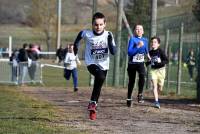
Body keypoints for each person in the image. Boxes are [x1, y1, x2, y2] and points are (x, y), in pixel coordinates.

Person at [73, 12, 116, 120]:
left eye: (101, 24)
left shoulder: (108, 34)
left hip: (104, 64)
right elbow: (78, 38)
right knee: (100, 77)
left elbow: (113, 52)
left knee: (98, 85)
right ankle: (93, 104)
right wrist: (75, 47)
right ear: (92, 24)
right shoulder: (87, 33)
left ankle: (93, 106)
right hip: (91, 62)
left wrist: (110, 41)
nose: (98, 27)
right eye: (96, 24)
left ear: (105, 24)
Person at [127, 24, 150, 107]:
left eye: (140, 29)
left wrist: (148, 56)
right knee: (132, 81)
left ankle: (140, 94)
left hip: (140, 63)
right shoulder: (132, 39)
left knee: (142, 75)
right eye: (137, 29)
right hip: (132, 64)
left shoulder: (145, 40)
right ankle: (129, 98)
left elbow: (146, 49)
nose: (139, 30)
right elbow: (129, 53)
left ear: (143, 31)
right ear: (134, 31)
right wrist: (137, 46)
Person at [147, 36, 168, 109]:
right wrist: (146, 63)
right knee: (154, 86)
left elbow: (166, 60)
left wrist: (160, 63)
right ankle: (156, 102)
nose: (153, 43)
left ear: (158, 44)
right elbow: (149, 62)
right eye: (152, 42)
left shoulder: (160, 51)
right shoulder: (149, 52)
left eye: (155, 42)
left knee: (160, 87)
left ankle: (160, 89)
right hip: (153, 71)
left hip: (161, 71)